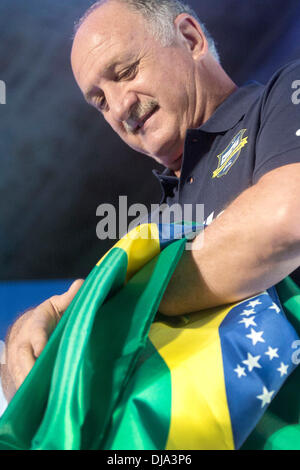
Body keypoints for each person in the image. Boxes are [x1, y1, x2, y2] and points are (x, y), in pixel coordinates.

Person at [1, 0, 300, 402]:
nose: (121, 107)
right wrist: (33, 330)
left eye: (125, 73)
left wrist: (112, 306)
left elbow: (287, 218)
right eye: (101, 102)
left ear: (191, 38)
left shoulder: (286, 98)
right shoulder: (149, 228)